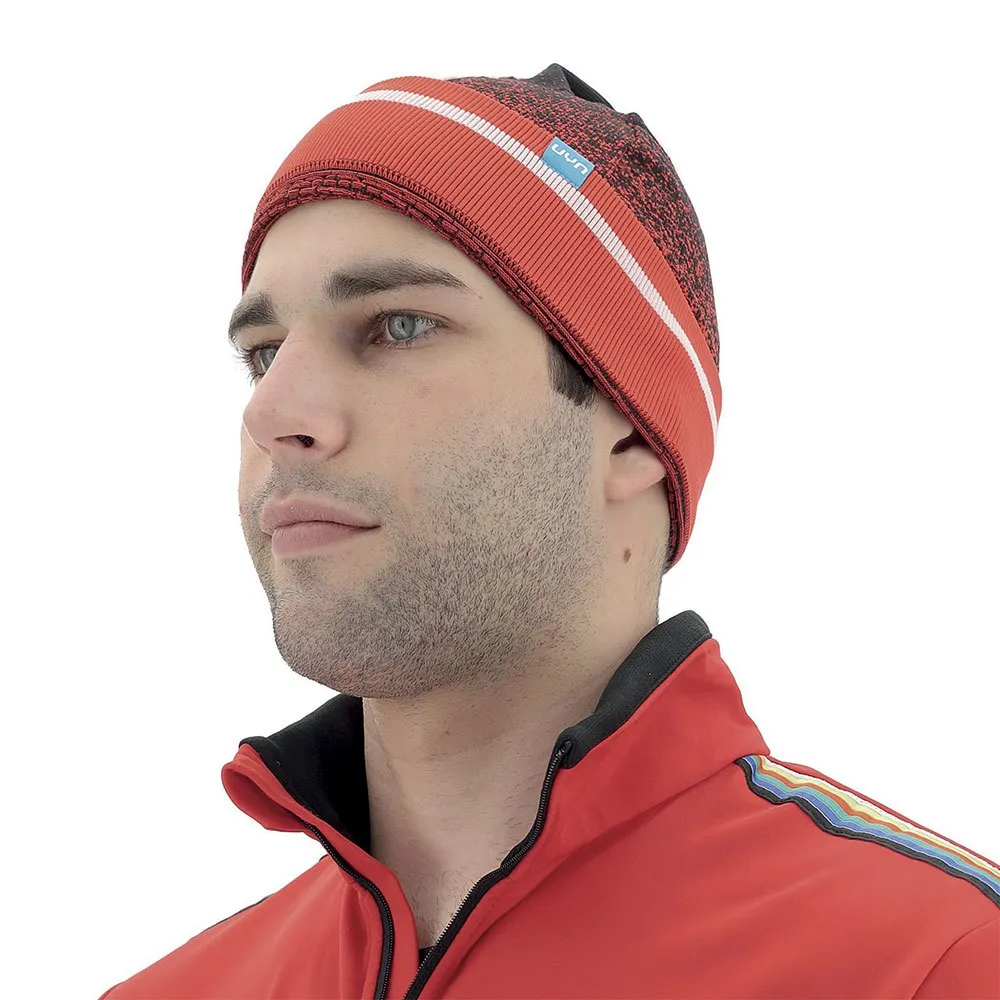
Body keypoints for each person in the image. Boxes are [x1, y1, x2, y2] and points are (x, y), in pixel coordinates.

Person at [100, 63, 999, 999]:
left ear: (628, 430)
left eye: (398, 326)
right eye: (262, 354)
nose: (273, 412)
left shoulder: (937, 964)